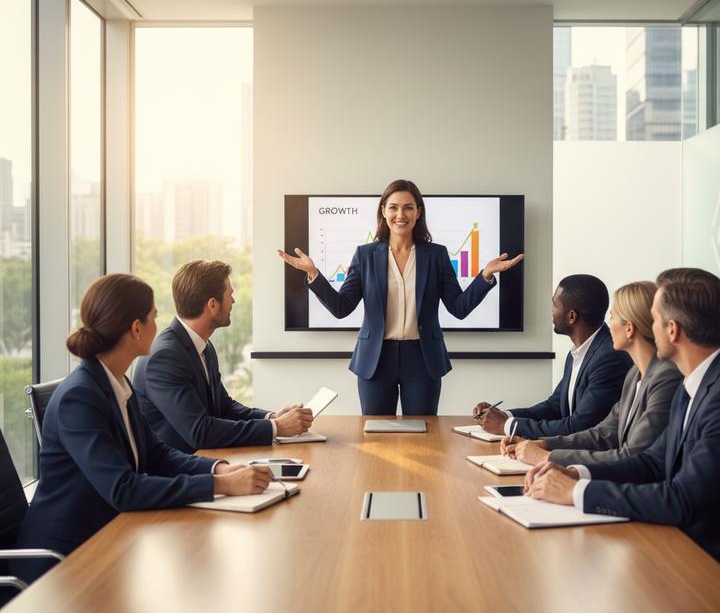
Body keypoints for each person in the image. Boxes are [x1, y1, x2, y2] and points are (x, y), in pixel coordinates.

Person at [524, 268, 720, 570]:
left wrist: (574, 492)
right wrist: (576, 474)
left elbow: (681, 499)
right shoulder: (696, 383)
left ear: (672, 330)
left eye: (653, 320)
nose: (648, 329)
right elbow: (653, 462)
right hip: (694, 549)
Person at [15, 274, 272, 583]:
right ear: (137, 328)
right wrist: (220, 486)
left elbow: (157, 455)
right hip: (64, 562)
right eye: (154, 316)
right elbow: (123, 489)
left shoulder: (117, 381)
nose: (159, 326)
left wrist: (219, 469)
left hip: (110, 538)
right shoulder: (79, 397)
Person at [278, 180, 523, 415]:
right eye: (393, 207)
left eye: (408, 207)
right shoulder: (365, 255)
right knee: (375, 435)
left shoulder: (436, 255)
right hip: (375, 359)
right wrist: (314, 274)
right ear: (383, 211)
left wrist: (485, 275)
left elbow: (459, 308)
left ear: (418, 212)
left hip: (422, 359)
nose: (400, 215)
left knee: (424, 434)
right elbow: (342, 308)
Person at [133, 260, 312, 452]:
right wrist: (277, 428)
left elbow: (224, 407)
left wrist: (272, 418)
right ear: (212, 304)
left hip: (206, 458)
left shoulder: (203, 346)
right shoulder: (164, 358)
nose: (233, 301)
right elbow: (201, 432)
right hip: (179, 466)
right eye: (230, 295)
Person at [502, 281, 681, 466]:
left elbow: (634, 455)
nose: (608, 324)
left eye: (612, 316)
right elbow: (603, 434)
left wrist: (546, 457)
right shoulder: (635, 375)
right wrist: (544, 444)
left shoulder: (665, 378)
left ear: (629, 328)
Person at [474, 274, 632, 438]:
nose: (551, 310)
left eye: (554, 304)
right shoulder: (578, 352)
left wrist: (507, 426)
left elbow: (579, 427)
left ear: (572, 316)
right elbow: (555, 407)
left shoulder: (609, 358)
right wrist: (504, 416)